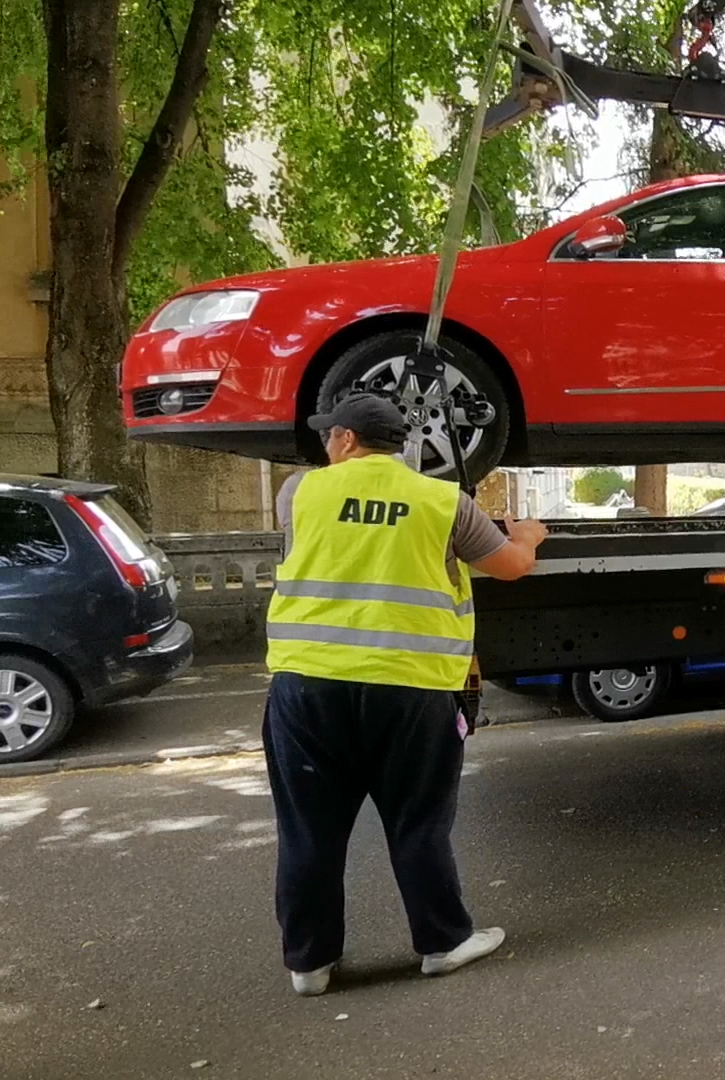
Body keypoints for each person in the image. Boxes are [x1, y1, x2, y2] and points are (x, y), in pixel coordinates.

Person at [264, 393, 547, 996]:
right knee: (418, 823)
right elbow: (512, 567)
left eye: (328, 436)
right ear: (400, 445)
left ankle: (309, 964)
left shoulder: (297, 493)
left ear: (344, 440)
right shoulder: (446, 503)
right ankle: (443, 942)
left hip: (308, 685)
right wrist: (526, 534)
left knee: (308, 831)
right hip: (412, 690)